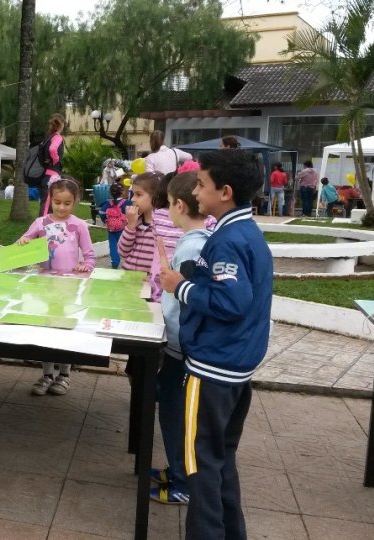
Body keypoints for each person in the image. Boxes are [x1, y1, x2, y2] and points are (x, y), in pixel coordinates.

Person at [158, 149, 272, 540]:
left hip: (213, 370)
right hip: (235, 366)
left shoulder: (227, 240)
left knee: (201, 466)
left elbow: (231, 302)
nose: (196, 192)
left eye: (202, 185)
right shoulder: (246, 232)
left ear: (224, 192)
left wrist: (180, 286)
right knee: (220, 461)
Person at [150, 172, 212, 506]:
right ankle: (177, 470)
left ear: (180, 206)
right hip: (180, 345)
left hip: (183, 347)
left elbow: (192, 298)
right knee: (171, 406)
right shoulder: (197, 240)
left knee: (176, 415)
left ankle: (183, 482)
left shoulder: (191, 246)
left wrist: (171, 286)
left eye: (169, 203)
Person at [17, 179, 95, 396]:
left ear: (75, 201)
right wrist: (23, 242)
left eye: (67, 203)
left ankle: (65, 374)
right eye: (57, 202)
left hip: (69, 288)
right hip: (45, 288)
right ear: (50, 200)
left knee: (64, 330)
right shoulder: (40, 223)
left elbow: (89, 256)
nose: (61, 207)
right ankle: (47, 375)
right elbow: (23, 244)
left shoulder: (79, 225)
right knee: (46, 330)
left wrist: (85, 266)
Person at [117, 173, 160, 272]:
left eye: (138, 194)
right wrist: (130, 226)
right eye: (133, 194)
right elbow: (122, 252)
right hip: (128, 277)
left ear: (156, 197)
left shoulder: (162, 226)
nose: (132, 199)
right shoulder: (135, 221)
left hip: (150, 280)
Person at [38, 114, 67, 217]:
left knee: (45, 205)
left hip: (46, 175)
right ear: (61, 124)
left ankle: (43, 225)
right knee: (47, 208)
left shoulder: (48, 138)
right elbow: (53, 149)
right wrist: (56, 160)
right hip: (52, 177)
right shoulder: (58, 137)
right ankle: (43, 226)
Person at [99, 183, 130, 269]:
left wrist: (105, 220)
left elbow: (101, 212)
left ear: (110, 192)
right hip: (123, 228)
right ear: (122, 192)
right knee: (126, 244)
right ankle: (129, 261)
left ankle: (115, 262)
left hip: (111, 228)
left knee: (113, 244)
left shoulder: (108, 203)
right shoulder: (127, 202)